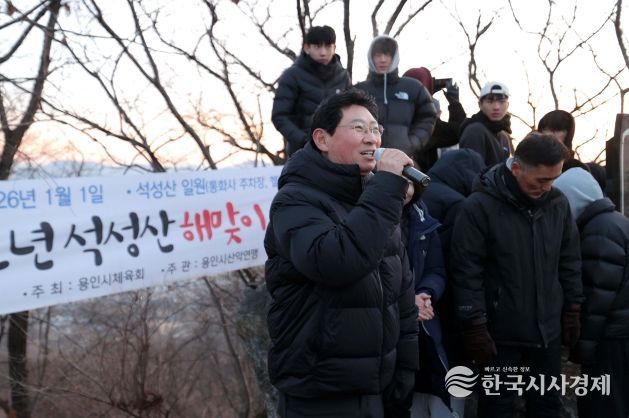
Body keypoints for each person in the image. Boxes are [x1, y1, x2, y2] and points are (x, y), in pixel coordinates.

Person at [265, 88, 419, 418]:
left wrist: (405, 373)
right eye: (359, 128)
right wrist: (385, 190)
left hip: (382, 390)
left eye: (376, 129)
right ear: (322, 139)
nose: (372, 138)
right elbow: (335, 262)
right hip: (321, 393)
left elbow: (402, 297)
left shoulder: (376, 200)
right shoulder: (295, 200)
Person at [449, 132, 583, 418]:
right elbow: (466, 270)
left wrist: (573, 306)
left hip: (547, 333)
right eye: (541, 180)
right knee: (497, 409)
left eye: (554, 179)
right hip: (499, 337)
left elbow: (569, 259)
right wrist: (474, 323)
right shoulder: (478, 207)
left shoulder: (558, 204)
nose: (547, 187)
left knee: (548, 406)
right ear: (517, 168)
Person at [553, 167, 629, 418]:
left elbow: (597, 298)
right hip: (619, 334)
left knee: (605, 405)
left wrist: (582, 348)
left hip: (612, 338)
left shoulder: (598, 231)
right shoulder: (613, 222)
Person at [400, 182, 453, 418]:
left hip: (423, 327)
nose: (405, 189)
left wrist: (425, 293)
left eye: (409, 182)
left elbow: (436, 269)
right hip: (385, 332)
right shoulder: (368, 218)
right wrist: (406, 301)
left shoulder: (420, 215)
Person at [272, 25, 351, 157]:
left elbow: (352, 114)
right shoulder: (292, 76)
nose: (323, 52)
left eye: (328, 46)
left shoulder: (343, 76)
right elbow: (280, 116)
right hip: (302, 153)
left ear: (334, 48)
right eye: (317, 46)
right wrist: (305, 141)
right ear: (307, 48)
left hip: (338, 151)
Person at [354, 35, 436, 158]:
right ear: (371, 58)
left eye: (387, 55)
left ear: (395, 57)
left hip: (402, 158)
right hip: (366, 158)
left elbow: (428, 116)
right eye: (378, 55)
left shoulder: (413, 87)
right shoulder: (359, 90)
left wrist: (413, 143)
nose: (382, 60)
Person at [403, 67, 467, 171]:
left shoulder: (397, 114)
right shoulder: (422, 119)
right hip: (420, 177)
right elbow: (457, 131)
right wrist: (454, 102)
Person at [459, 81, 513, 167]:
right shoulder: (475, 131)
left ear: (508, 105)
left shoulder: (504, 135)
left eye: (502, 101)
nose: (496, 107)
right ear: (480, 104)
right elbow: (471, 171)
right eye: (490, 101)